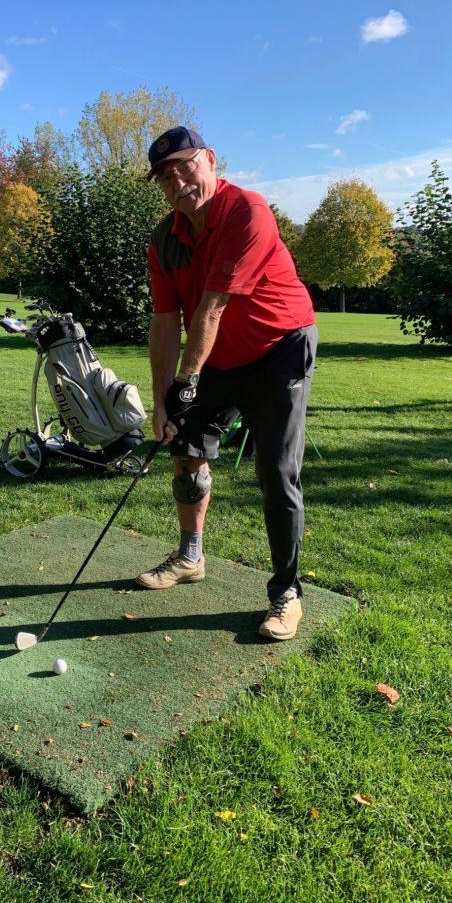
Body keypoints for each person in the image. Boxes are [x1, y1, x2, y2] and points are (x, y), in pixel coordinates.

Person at [136, 126, 317, 641]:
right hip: (217, 357)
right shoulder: (164, 239)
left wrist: (187, 380)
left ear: (210, 160)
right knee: (185, 447)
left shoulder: (247, 212)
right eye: (165, 177)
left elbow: (212, 307)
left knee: (276, 472)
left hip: (279, 349)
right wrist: (163, 402)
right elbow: (166, 321)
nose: (178, 182)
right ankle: (191, 557)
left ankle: (287, 592)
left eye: (185, 167)